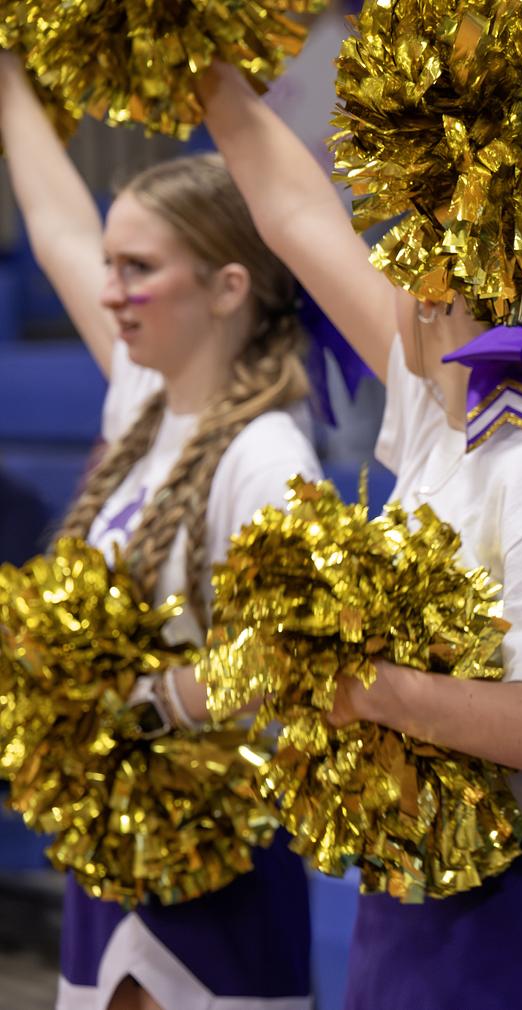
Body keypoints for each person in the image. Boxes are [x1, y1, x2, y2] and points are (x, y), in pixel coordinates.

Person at [198, 58, 522, 1010]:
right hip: (423, 895)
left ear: (444, 274)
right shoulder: (440, 400)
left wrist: (373, 690)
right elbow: (296, 215)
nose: (374, 240)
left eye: (405, 216)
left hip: (517, 920)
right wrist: (192, 57)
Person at [0, 51, 321, 1010]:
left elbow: (294, 663)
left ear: (228, 287)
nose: (108, 292)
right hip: (112, 852)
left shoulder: (268, 455)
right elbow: (56, 228)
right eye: (112, 267)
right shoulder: (145, 399)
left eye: (138, 269)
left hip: (219, 859)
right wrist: (11, 73)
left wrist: (141, 702)